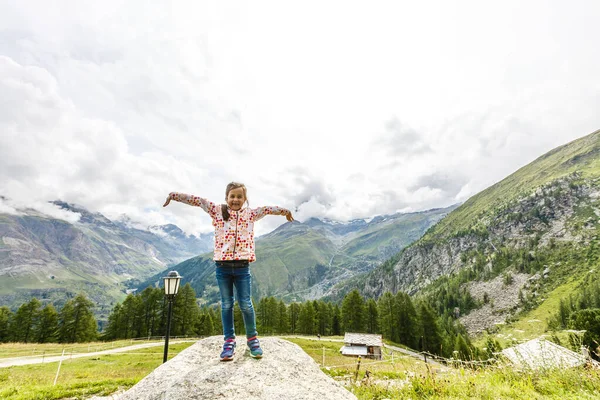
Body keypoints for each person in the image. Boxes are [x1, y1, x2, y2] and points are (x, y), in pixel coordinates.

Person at [163, 182, 294, 361]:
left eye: (239, 197)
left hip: (242, 267)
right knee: (226, 304)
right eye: (232, 196)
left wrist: (285, 211)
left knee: (246, 304)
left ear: (245, 199)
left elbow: (267, 209)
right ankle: (229, 341)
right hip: (222, 267)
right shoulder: (217, 211)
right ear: (226, 198)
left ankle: (252, 339)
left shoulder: (250, 214)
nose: (235, 200)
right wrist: (174, 195)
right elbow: (197, 200)